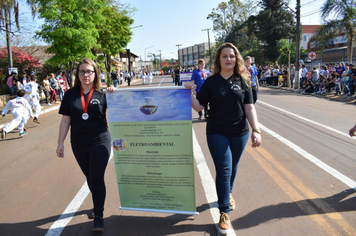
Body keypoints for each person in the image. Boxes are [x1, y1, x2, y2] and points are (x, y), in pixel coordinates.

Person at [184, 42, 261, 235]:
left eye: (232, 56)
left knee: (232, 168)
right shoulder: (211, 81)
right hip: (217, 132)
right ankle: (224, 212)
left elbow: (249, 107)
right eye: (225, 56)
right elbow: (198, 106)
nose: (229, 59)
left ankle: (227, 194)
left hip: (240, 133)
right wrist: (186, 93)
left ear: (237, 59)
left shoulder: (243, 79)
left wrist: (256, 130)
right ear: (219, 59)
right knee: (224, 169)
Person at [56, 58, 115, 232]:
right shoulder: (70, 94)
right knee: (90, 177)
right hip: (79, 143)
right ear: (78, 74)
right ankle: (97, 206)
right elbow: (66, 120)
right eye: (82, 71)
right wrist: (60, 143)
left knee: (96, 178)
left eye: (89, 71)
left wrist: (114, 93)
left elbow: (123, 109)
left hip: (100, 141)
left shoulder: (103, 94)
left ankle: (98, 216)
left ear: (95, 73)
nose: (86, 75)